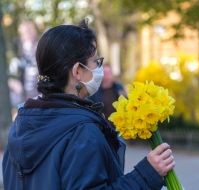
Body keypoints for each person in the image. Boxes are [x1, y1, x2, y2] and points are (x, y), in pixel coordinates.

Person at [2, 22, 175, 190]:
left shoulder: (21, 123)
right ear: (77, 71)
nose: (99, 67)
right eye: (96, 62)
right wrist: (146, 174)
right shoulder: (82, 132)